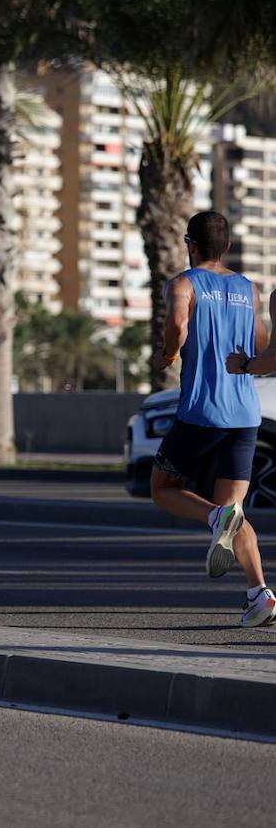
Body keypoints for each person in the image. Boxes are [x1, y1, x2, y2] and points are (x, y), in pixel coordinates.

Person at [151, 211, 275, 627]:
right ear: (226, 247)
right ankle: (260, 594)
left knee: (162, 487)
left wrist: (168, 354)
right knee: (235, 509)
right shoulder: (247, 288)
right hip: (245, 413)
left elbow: (177, 326)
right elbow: (258, 343)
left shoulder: (184, 283)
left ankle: (212, 517)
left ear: (191, 243)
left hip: (202, 411)